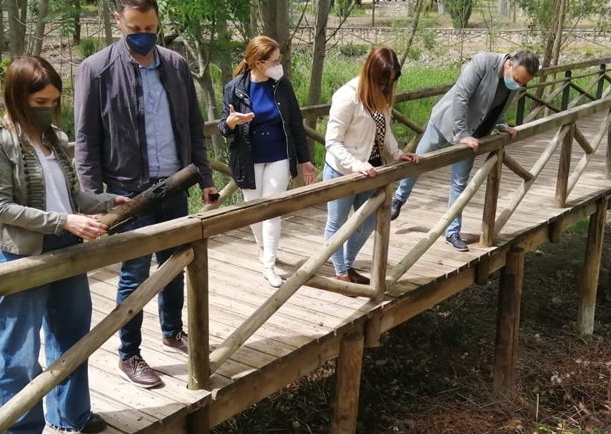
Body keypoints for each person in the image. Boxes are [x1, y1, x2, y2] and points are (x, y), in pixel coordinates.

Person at [0, 56, 128, 434]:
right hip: (22, 255)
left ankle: (70, 412)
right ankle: (14, 431)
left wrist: (110, 199)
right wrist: (65, 221)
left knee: (72, 336)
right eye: (40, 101)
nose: (48, 108)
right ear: (18, 97)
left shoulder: (54, 138)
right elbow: (0, 206)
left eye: (54, 101)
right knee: (18, 347)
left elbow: (73, 196)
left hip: (65, 248)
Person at [74, 0, 218, 390]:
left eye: (150, 27)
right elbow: (86, 140)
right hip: (128, 193)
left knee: (175, 267)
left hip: (175, 185)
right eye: (135, 27)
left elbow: (193, 128)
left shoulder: (174, 65)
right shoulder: (96, 70)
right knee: (134, 275)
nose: (143, 35)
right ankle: (129, 353)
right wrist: (94, 201)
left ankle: (173, 331)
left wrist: (205, 179)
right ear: (118, 21)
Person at [390, 51, 540, 252]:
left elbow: (497, 104)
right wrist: (461, 133)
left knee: (460, 182)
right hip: (446, 121)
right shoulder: (483, 62)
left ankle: (452, 232)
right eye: (517, 79)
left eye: (522, 83)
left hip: (473, 134)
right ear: (509, 64)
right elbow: (461, 96)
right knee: (419, 161)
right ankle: (399, 198)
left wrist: (501, 124)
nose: (518, 85)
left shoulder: (514, 78)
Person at [218, 36, 317, 288]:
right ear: (258, 63)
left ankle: (269, 265)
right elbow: (223, 127)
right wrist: (231, 123)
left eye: (278, 60)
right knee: (254, 211)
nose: (278, 65)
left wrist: (304, 160)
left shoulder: (282, 85)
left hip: (279, 155)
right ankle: (263, 248)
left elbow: (295, 124)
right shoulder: (235, 88)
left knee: (272, 210)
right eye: (274, 61)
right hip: (248, 157)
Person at [323, 46, 420, 283]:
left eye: (389, 83)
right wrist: (355, 164)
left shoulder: (383, 95)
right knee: (337, 222)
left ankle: (346, 264)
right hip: (342, 170)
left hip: (372, 170)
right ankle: (340, 271)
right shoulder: (347, 97)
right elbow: (332, 142)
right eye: (382, 81)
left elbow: (383, 130)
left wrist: (397, 153)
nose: (385, 87)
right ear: (370, 73)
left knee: (368, 220)